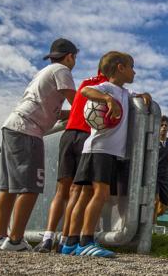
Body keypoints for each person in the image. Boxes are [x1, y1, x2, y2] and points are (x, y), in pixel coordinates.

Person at [0, 38, 77, 251]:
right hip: (29, 130)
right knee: (31, 186)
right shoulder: (62, 70)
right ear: (70, 56)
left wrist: (68, 114)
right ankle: (16, 240)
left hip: (13, 125)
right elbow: (77, 102)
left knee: (8, 186)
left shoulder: (45, 71)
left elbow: (54, 109)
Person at [61, 51, 151, 258]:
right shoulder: (107, 88)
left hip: (98, 150)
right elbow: (86, 92)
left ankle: (70, 243)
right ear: (120, 68)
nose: (134, 71)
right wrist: (107, 100)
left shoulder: (124, 92)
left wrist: (144, 95)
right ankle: (86, 240)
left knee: (85, 196)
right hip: (101, 149)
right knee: (98, 194)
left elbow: (136, 96)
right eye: (132, 67)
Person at [33, 66, 108, 253]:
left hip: (68, 135)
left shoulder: (86, 83)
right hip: (85, 136)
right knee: (77, 190)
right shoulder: (107, 86)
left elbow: (78, 106)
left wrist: (66, 114)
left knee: (61, 190)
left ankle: (48, 238)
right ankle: (65, 240)